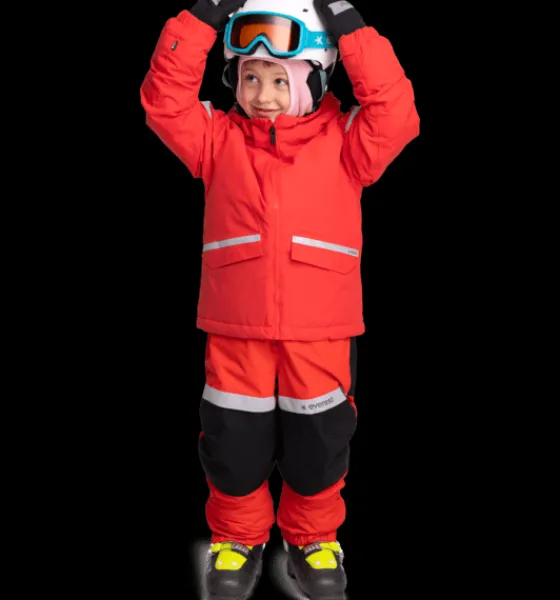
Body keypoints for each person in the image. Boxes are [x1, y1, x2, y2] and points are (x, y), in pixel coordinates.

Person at [140, 0, 420, 598]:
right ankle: (236, 539)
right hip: (235, 329)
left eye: (279, 80)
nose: (262, 96)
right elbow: (165, 101)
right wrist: (200, 21)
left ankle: (313, 538)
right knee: (232, 441)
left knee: (320, 444)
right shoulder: (216, 139)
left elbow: (396, 114)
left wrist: (352, 33)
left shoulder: (348, 143)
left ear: (315, 79)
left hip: (320, 330)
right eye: (249, 78)